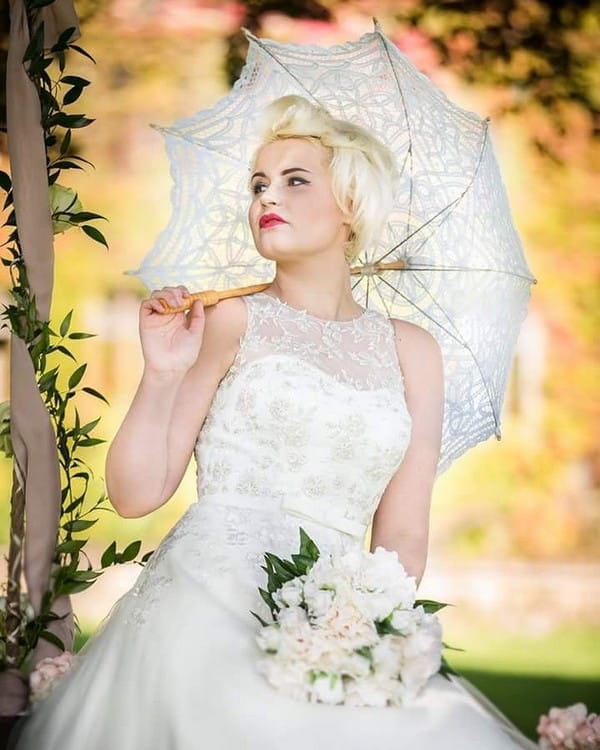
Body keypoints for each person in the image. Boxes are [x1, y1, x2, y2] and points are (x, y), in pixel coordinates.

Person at [9, 95, 536, 749]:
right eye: (258, 183)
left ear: (350, 205)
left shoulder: (413, 351)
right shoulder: (229, 320)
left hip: (330, 613)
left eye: (294, 180)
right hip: (205, 600)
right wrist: (162, 374)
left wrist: (363, 630)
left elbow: (402, 531)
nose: (266, 197)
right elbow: (136, 493)